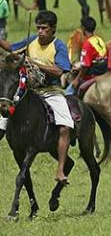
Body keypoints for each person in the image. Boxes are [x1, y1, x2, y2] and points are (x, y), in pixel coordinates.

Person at [0, 11, 73, 183]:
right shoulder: (31, 40)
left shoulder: (59, 46)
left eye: (44, 29)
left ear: (53, 29)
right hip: (30, 91)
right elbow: (10, 47)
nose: (40, 31)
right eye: (38, 28)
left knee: (65, 127)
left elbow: (59, 70)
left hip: (51, 91)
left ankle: (61, 170)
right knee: (3, 112)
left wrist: (35, 63)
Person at [68, 16, 107, 97]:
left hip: (92, 75)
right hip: (104, 72)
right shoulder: (99, 39)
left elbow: (85, 65)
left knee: (68, 93)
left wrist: (77, 80)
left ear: (83, 28)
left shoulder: (87, 44)